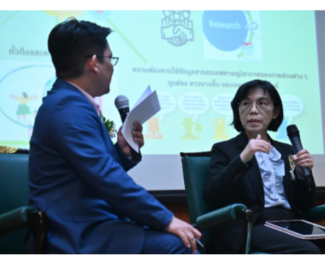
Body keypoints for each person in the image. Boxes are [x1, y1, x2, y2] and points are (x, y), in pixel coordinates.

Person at [27, 18, 199, 254]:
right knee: (181, 245)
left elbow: (91, 172)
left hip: (95, 225)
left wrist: (121, 152)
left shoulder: (71, 103)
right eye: (110, 59)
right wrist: (167, 219)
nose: (113, 66)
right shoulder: (67, 108)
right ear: (94, 63)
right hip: (75, 233)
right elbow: (105, 177)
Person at [203, 80, 325, 254]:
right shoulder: (224, 150)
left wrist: (301, 175)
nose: (253, 110)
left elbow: (305, 204)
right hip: (249, 226)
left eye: (262, 103)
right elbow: (212, 196)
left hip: (290, 224)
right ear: (238, 110)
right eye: (246, 103)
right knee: (307, 251)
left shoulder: (287, 151)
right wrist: (243, 158)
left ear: (275, 112)